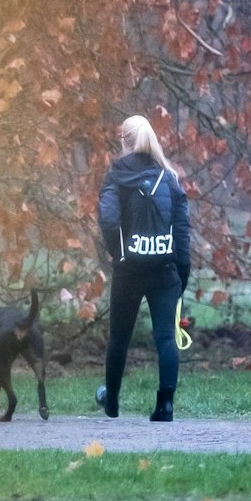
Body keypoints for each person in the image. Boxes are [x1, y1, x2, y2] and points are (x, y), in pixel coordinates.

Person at [93, 114, 192, 421]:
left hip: (128, 270)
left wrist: (117, 252)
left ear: (124, 142)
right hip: (165, 271)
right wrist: (182, 275)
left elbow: (109, 220)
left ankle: (112, 403)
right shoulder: (170, 179)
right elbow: (182, 233)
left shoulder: (116, 176)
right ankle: (165, 405)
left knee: (119, 338)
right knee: (165, 337)